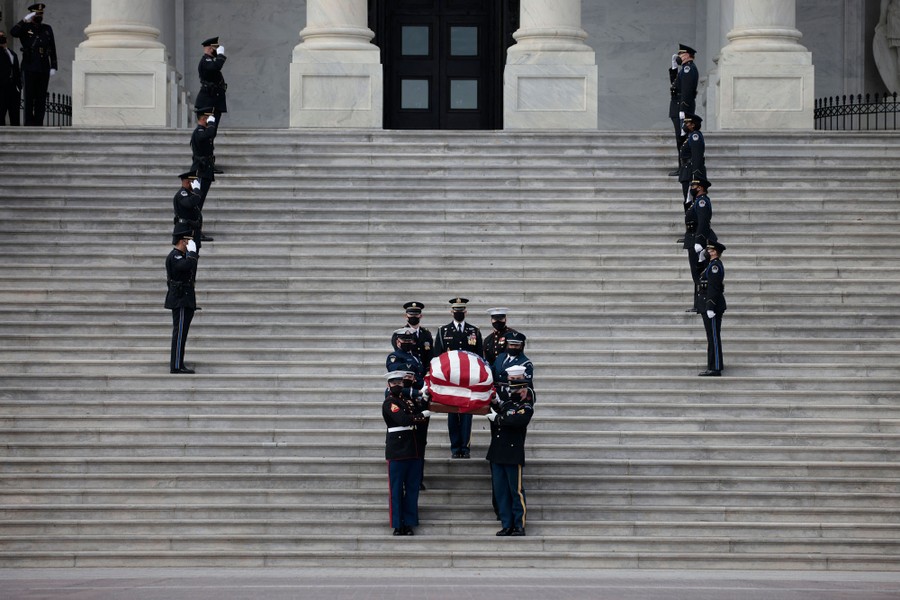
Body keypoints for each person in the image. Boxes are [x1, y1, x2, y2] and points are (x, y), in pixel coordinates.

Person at [485, 364, 534, 537]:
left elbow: (517, 421)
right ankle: (507, 524)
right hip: (497, 453)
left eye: (517, 390)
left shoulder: (526, 407)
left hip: (513, 454)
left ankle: (519, 524)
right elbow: (501, 410)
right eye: (512, 389)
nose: (515, 392)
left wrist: (498, 419)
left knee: (516, 490)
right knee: (501, 491)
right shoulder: (507, 405)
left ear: (523, 390)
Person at [433, 297, 483, 458]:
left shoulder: (474, 331)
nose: (459, 313)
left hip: (469, 380)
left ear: (465, 312)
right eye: (456, 310)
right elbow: (437, 356)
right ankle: (455, 448)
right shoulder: (443, 331)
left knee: (467, 415)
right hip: (450, 381)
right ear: (451, 311)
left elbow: (480, 356)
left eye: (461, 311)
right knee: (453, 414)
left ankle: (465, 447)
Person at [383, 370, 431, 536]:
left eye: (400, 383)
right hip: (397, 451)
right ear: (389, 385)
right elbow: (402, 419)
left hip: (413, 449)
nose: (397, 385)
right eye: (394, 383)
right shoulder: (390, 402)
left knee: (412, 490)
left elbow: (419, 411)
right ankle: (398, 524)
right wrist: (420, 416)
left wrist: (425, 399)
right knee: (396, 490)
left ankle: (409, 522)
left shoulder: (408, 401)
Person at [10, 3, 56, 126]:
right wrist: (24, 20)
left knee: (41, 97)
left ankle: (38, 122)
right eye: (36, 13)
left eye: (41, 13)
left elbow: (52, 48)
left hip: (43, 66)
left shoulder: (47, 28)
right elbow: (13, 32)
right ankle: (29, 122)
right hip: (29, 65)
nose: (39, 16)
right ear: (32, 14)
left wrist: (53, 66)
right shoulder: (25, 27)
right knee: (29, 96)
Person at [165, 223, 199, 374]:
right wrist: (192, 254)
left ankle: (179, 362)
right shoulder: (175, 256)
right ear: (182, 240)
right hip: (180, 299)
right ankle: (176, 365)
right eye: (188, 240)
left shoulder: (182, 256)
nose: (190, 243)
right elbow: (186, 267)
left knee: (182, 334)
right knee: (179, 335)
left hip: (185, 298)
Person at [683, 177, 717, 313]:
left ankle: (702, 304)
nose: (692, 187)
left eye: (694, 186)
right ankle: (698, 304)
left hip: (698, 240)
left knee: (700, 274)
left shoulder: (702, 201)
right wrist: (688, 201)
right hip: (692, 238)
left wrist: (698, 241)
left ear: (701, 187)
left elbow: (702, 222)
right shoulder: (697, 201)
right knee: (697, 274)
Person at [668, 43, 699, 174]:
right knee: (680, 139)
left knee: (682, 140)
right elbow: (675, 85)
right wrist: (674, 68)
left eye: (680, 54)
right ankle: (683, 167)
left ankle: (685, 167)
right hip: (678, 107)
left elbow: (686, 91)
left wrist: (683, 110)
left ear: (686, 55)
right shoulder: (685, 68)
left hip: (681, 108)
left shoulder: (688, 69)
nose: (678, 56)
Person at [699, 240, 727, 376]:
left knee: (714, 337)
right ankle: (713, 364)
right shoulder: (711, 264)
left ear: (716, 251)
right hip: (708, 304)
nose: (708, 251)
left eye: (711, 250)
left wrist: (710, 305)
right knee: (711, 336)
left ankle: (715, 368)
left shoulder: (715, 266)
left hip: (713, 306)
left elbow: (714, 287)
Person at [190, 107, 219, 238]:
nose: (210, 121)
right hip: (200, 171)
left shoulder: (201, 131)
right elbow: (209, 134)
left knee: (199, 203)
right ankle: (195, 231)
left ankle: (196, 230)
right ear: (203, 118)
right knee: (197, 203)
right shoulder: (199, 131)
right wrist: (212, 124)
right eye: (208, 118)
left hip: (205, 170)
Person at [195, 37, 228, 129]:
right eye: (215, 49)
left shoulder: (210, 61)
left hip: (213, 100)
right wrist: (220, 55)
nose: (216, 52)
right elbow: (215, 67)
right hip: (208, 101)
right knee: (208, 130)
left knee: (212, 130)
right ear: (210, 49)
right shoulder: (206, 60)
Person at [173, 171, 210, 249]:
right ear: (188, 182)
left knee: (193, 256)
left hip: (192, 229)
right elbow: (190, 203)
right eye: (193, 181)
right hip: (184, 230)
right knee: (187, 256)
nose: (195, 184)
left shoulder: (190, 194)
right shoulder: (182, 194)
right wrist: (197, 191)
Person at [391, 301, 434, 366]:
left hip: (424, 370)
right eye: (411, 314)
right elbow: (399, 354)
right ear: (406, 316)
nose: (413, 316)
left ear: (421, 316)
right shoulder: (399, 334)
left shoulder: (426, 333)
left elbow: (430, 354)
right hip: (408, 369)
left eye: (416, 314)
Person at [678, 114, 706, 204]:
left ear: (693, 125)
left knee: (690, 201)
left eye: (687, 123)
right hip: (686, 169)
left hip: (690, 171)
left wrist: (695, 175)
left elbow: (697, 156)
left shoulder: (695, 136)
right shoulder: (690, 136)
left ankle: (692, 218)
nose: (685, 125)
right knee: (687, 199)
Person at [0, 31, 22, 126]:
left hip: (13, 87)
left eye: (3, 37)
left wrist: (19, 86)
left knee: (14, 115)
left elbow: (17, 70)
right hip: (1, 87)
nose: (2, 39)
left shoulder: (13, 54)